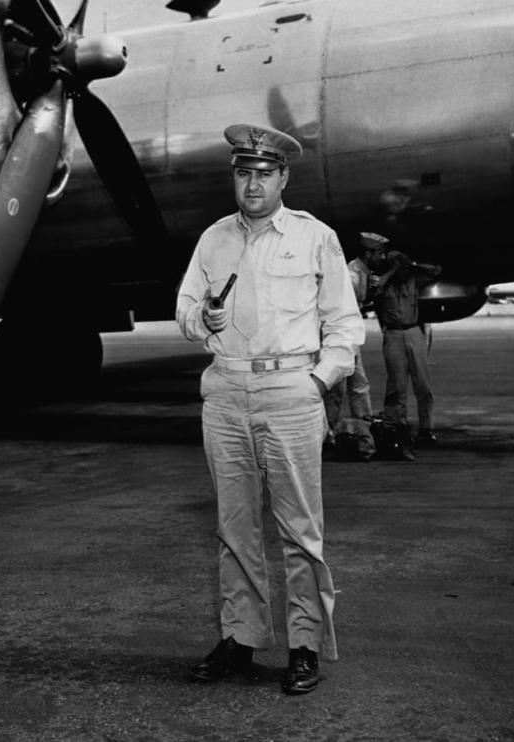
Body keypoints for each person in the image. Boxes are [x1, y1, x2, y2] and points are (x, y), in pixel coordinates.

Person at [175, 123, 365, 695]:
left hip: (290, 394)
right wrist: (200, 320)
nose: (252, 184)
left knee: (300, 532)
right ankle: (240, 640)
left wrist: (316, 382)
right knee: (234, 529)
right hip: (226, 394)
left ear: (283, 177)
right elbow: (185, 307)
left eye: (263, 174)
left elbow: (345, 323)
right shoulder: (213, 239)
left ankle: (304, 646)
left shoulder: (315, 237)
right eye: (242, 173)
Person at [365, 232, 442, 460]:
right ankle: (397, 428)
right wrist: (391, 271)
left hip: (412, 331)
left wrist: (410, 263)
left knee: (423, 384)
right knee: (396, 385)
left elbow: (436, 270)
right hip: (393, 333)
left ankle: (426, 428)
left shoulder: (413, 279)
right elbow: (374, 292)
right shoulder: (382, 282)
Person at [323, 234, 377, 460]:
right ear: (369, 253)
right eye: (378, 253)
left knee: (359, 385)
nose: (381, 257)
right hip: (341, 338)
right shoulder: (353, 276)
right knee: (338, 390)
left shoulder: (361, 273)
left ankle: (364, 429)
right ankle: (328, 433)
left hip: (351, 338)